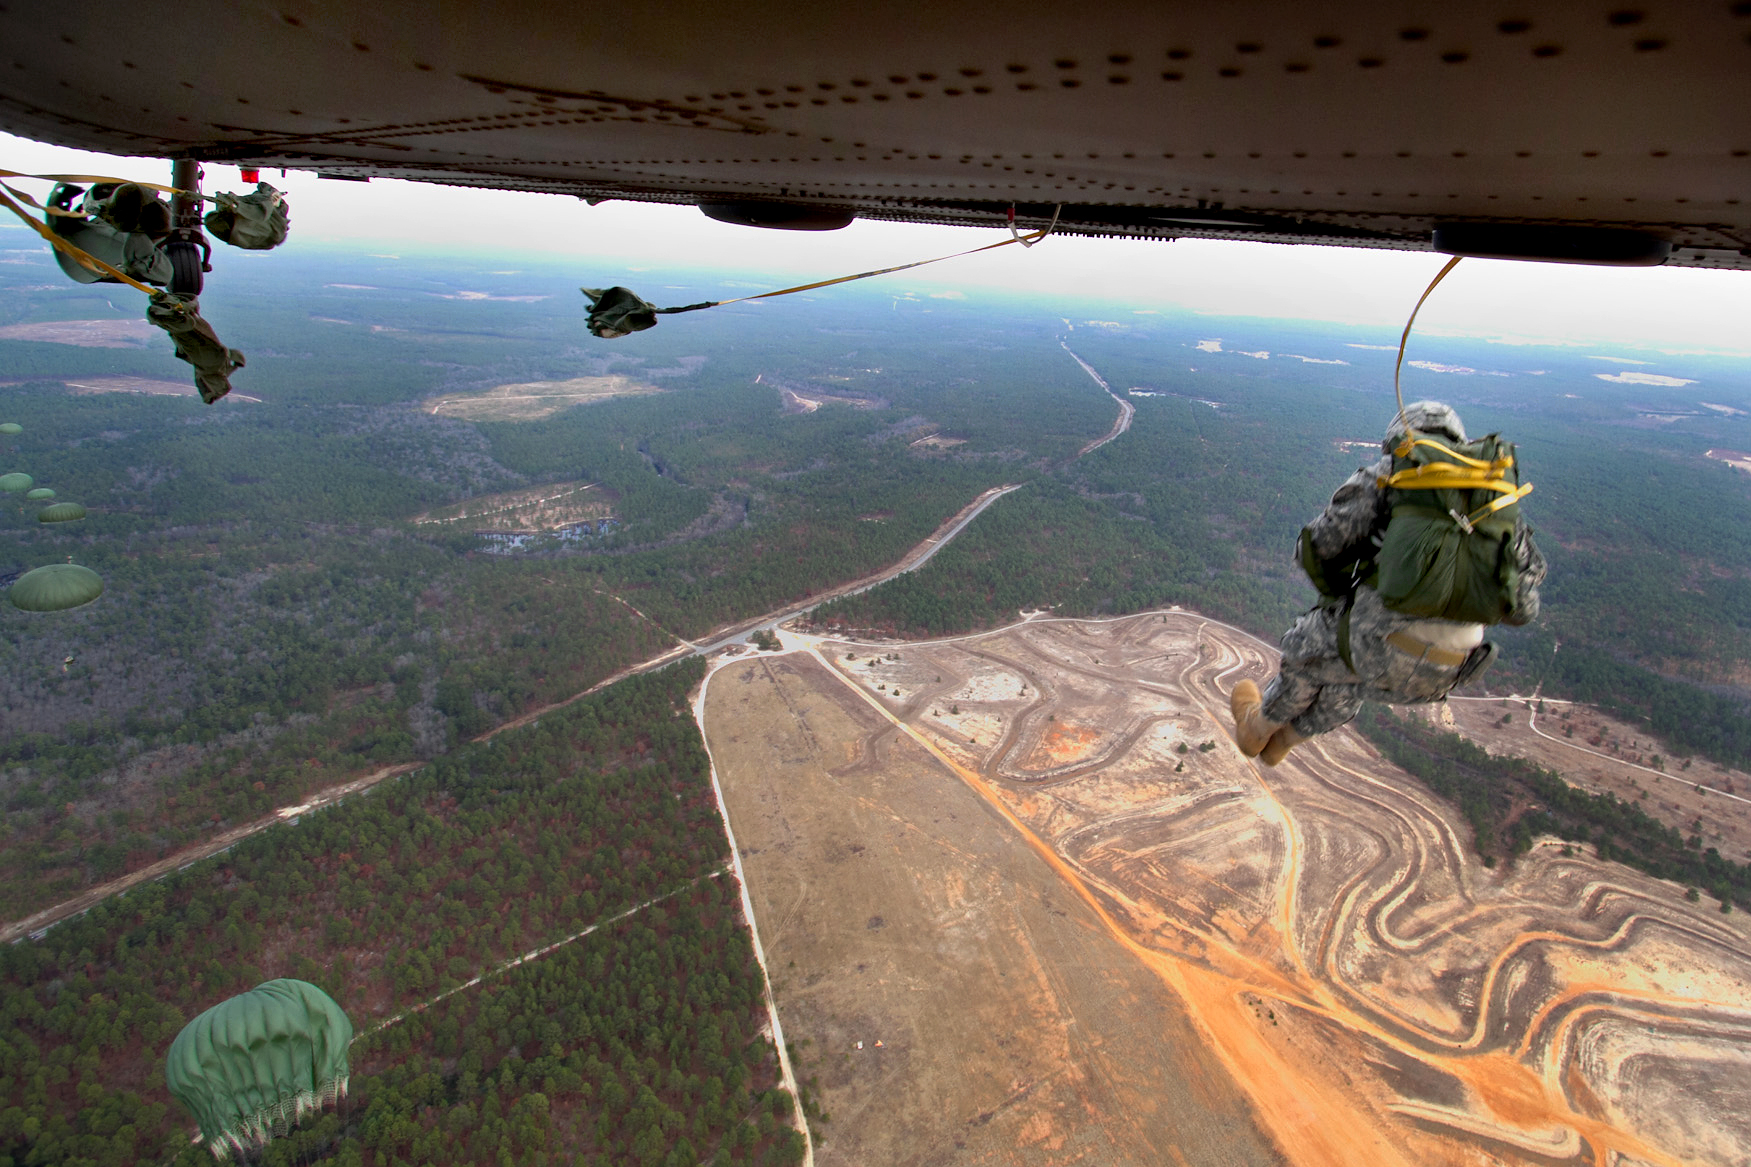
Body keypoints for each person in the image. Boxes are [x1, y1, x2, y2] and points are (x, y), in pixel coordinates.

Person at [1231, 401, 1547, 765]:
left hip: (1378, 645)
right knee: (1347, 676)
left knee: (1308, 650)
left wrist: (1347, 590)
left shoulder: (1390, 473)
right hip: (1449, 671)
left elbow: (1319, 546)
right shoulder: (1498, 497)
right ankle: (1287, 740)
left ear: (1399, 437)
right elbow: (1523, 607)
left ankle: (1257, 730)